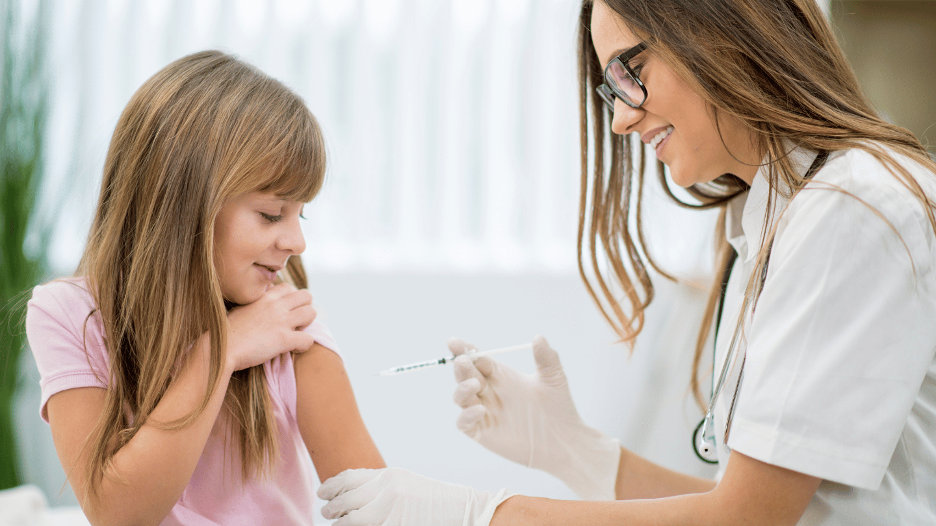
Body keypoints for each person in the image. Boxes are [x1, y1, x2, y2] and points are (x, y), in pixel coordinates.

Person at [316, 0, 936, 524]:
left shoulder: (851, 206)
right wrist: (575, 452)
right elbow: (766, 506)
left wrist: (479, 512)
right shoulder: (778, 214)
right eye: (608, 88)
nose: (620, 117)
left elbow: (749, 518)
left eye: (628, 72)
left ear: (718, 32)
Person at [24, 50, 385, 525]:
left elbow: (384, 513)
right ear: (183, 205)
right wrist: (222, 351)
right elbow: (118, 514)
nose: (297, 242)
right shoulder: (69, 315)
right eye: (271, 214)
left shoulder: (293, 337)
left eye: (301, 214)